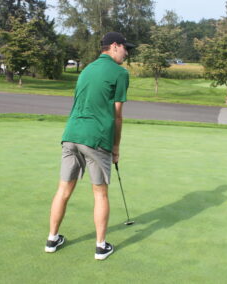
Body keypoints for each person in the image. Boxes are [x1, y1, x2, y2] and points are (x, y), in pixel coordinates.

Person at [45, 32, 135, 260]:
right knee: (100, 194)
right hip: (96, 139)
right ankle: (100, 246)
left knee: (63, 190)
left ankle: (52, 240)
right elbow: (117, 116)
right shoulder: (120, 73)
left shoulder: (86, 69)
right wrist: (116, 147)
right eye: (126, 48)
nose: (127, 53)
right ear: (114, 46)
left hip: (71, 134)